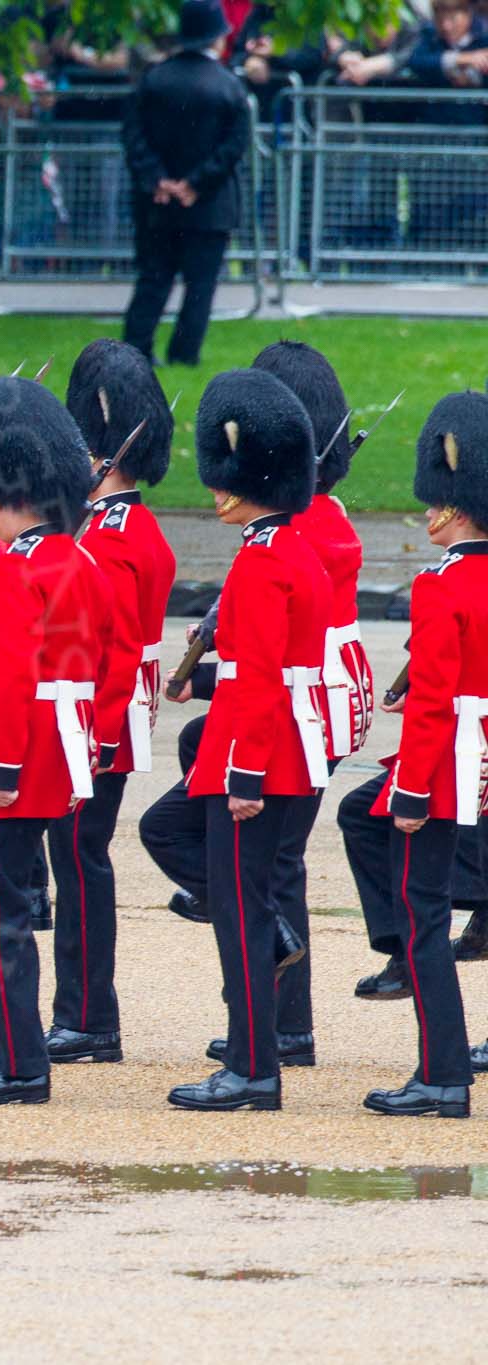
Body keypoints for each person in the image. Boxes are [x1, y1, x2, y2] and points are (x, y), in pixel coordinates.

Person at [0, 377, 106, 1104]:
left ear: (17, 496)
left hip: (6, 761)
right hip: (50, 755)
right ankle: (21, 1056)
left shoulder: (15, 568)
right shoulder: (74, 558)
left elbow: (10, 675)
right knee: (8, 902)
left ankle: (18, 1063)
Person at [167, 368, 330, 1113]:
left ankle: (252, 1068)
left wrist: (243, 775)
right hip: (281, 743)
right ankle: (250, 1056)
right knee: (243, 904)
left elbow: (260, 676)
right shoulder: (290, 547)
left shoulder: (265, 559)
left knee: (239, 915)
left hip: (257, 750)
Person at [344, 391, 488, 1118]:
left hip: (448, 762)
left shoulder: (442, 587)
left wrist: (410, 790)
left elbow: (432, 701)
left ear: (453, 506)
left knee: (424, 915)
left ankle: (441, 1073)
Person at [47, 339, 177, 1064]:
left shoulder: (114, 538)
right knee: (74, 861)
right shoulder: (111, 526)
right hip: (96, 721)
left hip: (96, 725)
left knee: (80, 860)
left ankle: (90, 1017)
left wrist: (89, 740)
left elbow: (117, 651)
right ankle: (83, 1012)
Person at [255, 340, 372, 1032]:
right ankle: (285, 1021)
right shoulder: (327, 513)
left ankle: (284, 1023)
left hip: (302, 699)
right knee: (280, 860)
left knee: (270, 864)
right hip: (331, 697)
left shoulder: (297, 527)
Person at [119, 0, 252, 366]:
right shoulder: (227, 86)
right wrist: (196, 184)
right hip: (209, 206)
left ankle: (136, 349)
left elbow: (134, 136)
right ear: (216, 37)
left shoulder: (153, 79)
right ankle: (184, 352)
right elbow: (234, 145)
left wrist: (158, 179)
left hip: (157, 204)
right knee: (200, 287)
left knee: (153, 281)